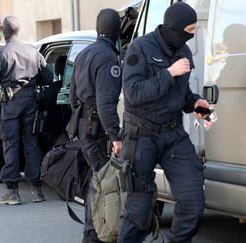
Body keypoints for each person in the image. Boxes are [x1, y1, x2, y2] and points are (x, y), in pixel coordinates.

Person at [119, 3, 210, 242]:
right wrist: (168, 73)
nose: (191, 35)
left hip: (173, 134)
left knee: (193, 202)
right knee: (139, 210)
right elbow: (133, 93)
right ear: (175, 27)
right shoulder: (140, 47)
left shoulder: (184, 52)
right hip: (141, 136)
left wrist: (195, 105)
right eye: (188, 29)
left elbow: (181, 93)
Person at [0, 16, 53, 205]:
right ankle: (37, 190)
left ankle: (12, 192)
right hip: (31, 101)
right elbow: (48, 77)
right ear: (18, 30)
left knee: (10, 144)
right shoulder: (33, 51)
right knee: (31, 143)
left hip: (11, 103)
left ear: (3, 31)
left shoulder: (1, 54)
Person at [69, 9, 123, 243]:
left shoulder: (84, 53)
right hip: (97, 128)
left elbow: (71, 95)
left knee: (95, 179)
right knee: (101, 184)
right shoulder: (108, 58)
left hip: (82, 125)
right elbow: (106, 103)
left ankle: (93, 234)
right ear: (117, 31)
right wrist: (115, 135)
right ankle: (94, 235)